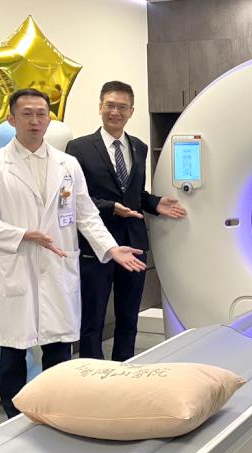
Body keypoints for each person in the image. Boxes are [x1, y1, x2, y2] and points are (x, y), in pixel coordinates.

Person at [0, 88, 147, 418]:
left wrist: (110, 247)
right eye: (27, 114)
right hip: (17, 270)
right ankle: (14, 422)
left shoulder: (68, 164)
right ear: (11, 119)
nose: (35, 120)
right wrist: (23, 235)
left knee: (59, 353)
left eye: (41, 114)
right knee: (13, 355)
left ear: (49, 119)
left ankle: (57, 416)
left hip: (57, 267)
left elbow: (85, 214)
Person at [65, 81, 186, 361]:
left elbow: (135, 194)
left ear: (131, 111)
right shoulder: (79, 148)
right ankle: (92, 374)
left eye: (122, 107)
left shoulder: (139, 147)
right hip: (96, 247)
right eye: (110, 105)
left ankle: (125, 368)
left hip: (133, 242)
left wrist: (155, 203)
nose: (115, 112)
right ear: (100, 107)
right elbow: (74, 198)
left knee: (129, 317)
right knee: (92, 319)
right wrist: (110, 208)